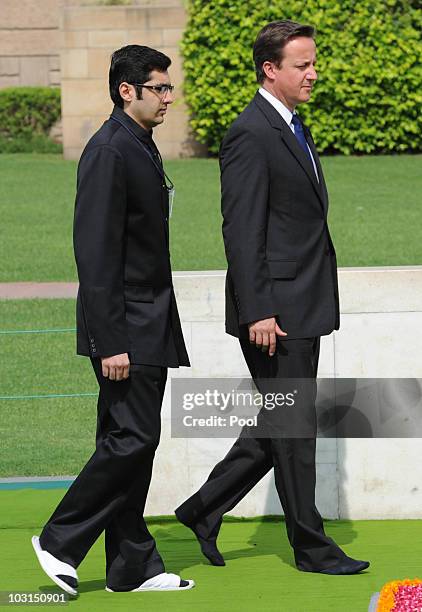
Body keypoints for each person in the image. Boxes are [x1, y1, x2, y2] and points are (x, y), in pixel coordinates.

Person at [175, 20, 370, 575]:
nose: (313, 73)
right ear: (271, 69)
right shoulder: (250, 133)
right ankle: (311, 548)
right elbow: (241, 230)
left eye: (313, 62)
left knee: (280, 422)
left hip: (300, 302)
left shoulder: (289, 124)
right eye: (301, 64)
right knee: (292, 425)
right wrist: (259, 308)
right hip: (275, 312)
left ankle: (202, 509)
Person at [32, 45, 194, 595]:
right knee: (132, 439)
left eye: (169, 87)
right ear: (128, 90)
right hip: (126, 326)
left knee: (131, 440)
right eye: (159, 87)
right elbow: (96, 253)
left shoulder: (139, 144)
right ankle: (59, 540)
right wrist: (110, 340)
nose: (168, 97)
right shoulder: (108, 151)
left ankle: (132, 565)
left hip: (151, 319)